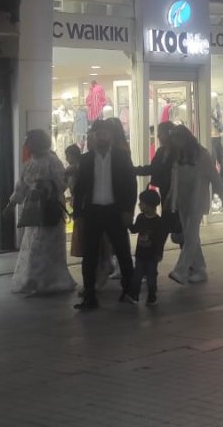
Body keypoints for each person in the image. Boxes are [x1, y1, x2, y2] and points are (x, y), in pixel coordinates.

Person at [71, 120, 138, 311]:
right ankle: (90, 296)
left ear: (111, 136)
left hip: (115, 211)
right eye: (98, 134)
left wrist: (128, 210)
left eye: (105, 134)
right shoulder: (86, 159)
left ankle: (129, 291)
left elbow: (130, 186)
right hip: (92, 212)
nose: (101, 137)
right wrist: (78, 214)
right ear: (93, 136)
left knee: (123, 252)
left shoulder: (121, 157)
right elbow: (80, 189)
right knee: (90, 256)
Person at [8, 130, 76, 297]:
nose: (26, 145)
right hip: (34, 210)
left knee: (46, 246)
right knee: (33, 246)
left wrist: (47, 187)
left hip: (50, 209)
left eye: (28, 142)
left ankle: (48, 281)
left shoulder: (52, 161)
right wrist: (11, 203)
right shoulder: (30, 163)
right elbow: (21, 187)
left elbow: (62, 182)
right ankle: (34, 280)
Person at [166, 126, 223, 285]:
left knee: (191, 235)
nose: (176, 143)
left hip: (196, 201)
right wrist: (170, 197)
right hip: (182, 200)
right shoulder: (178, 155)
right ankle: (200, 268)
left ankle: (181, 270)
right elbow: (175, 178)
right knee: (190, 235)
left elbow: (214, 177)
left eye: (178, 140)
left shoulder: (202, 155)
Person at [129, 190, 169, 306]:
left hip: (152, 255)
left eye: (142, 203)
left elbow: (160, 240)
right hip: (140, 253)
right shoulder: (141, 218)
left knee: (151, 277)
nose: (140, 205)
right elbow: (134, 229)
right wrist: (128, 223)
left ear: (150, 206)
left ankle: (152, 296)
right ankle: (135, 295)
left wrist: (159, 253)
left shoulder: (158, 222)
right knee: (137, 275)